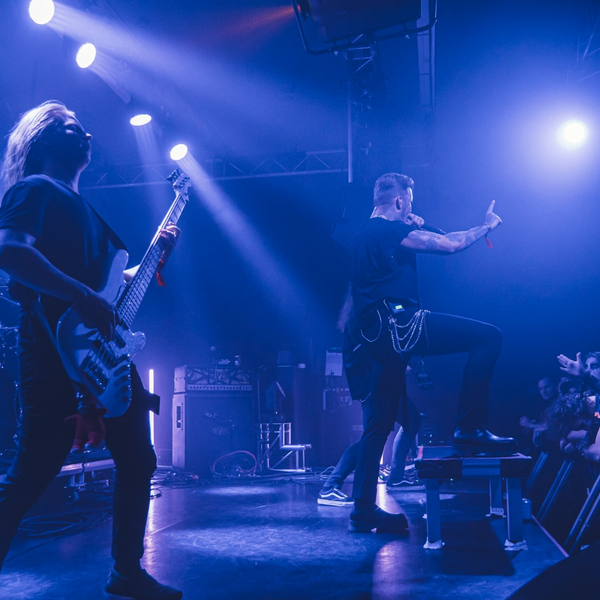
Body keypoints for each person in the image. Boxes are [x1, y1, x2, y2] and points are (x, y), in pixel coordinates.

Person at [0, 101, 183, 599]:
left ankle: (126, 572)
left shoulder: (85, 209)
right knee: (32, 473)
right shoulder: (35, 189)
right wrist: (81, 294)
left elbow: (108, 287)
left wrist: (155, 257)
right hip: (52, 348)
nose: (86, 133)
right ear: (41, 139)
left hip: (103, 353)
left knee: (138, 459)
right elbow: (10, 249)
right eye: (71, 126)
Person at [344, 172, 516, 534]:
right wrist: (487, 226)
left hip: (374, 340)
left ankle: (362, 510)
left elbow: (427, 239)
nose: (412, 207)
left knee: (378, 425)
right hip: (400, 325)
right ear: (400, 200)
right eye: (410, 201)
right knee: (488, 337)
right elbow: (450, 244)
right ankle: (470, 428)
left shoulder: (366, 235)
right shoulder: (387, 231)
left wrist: (416, 224)